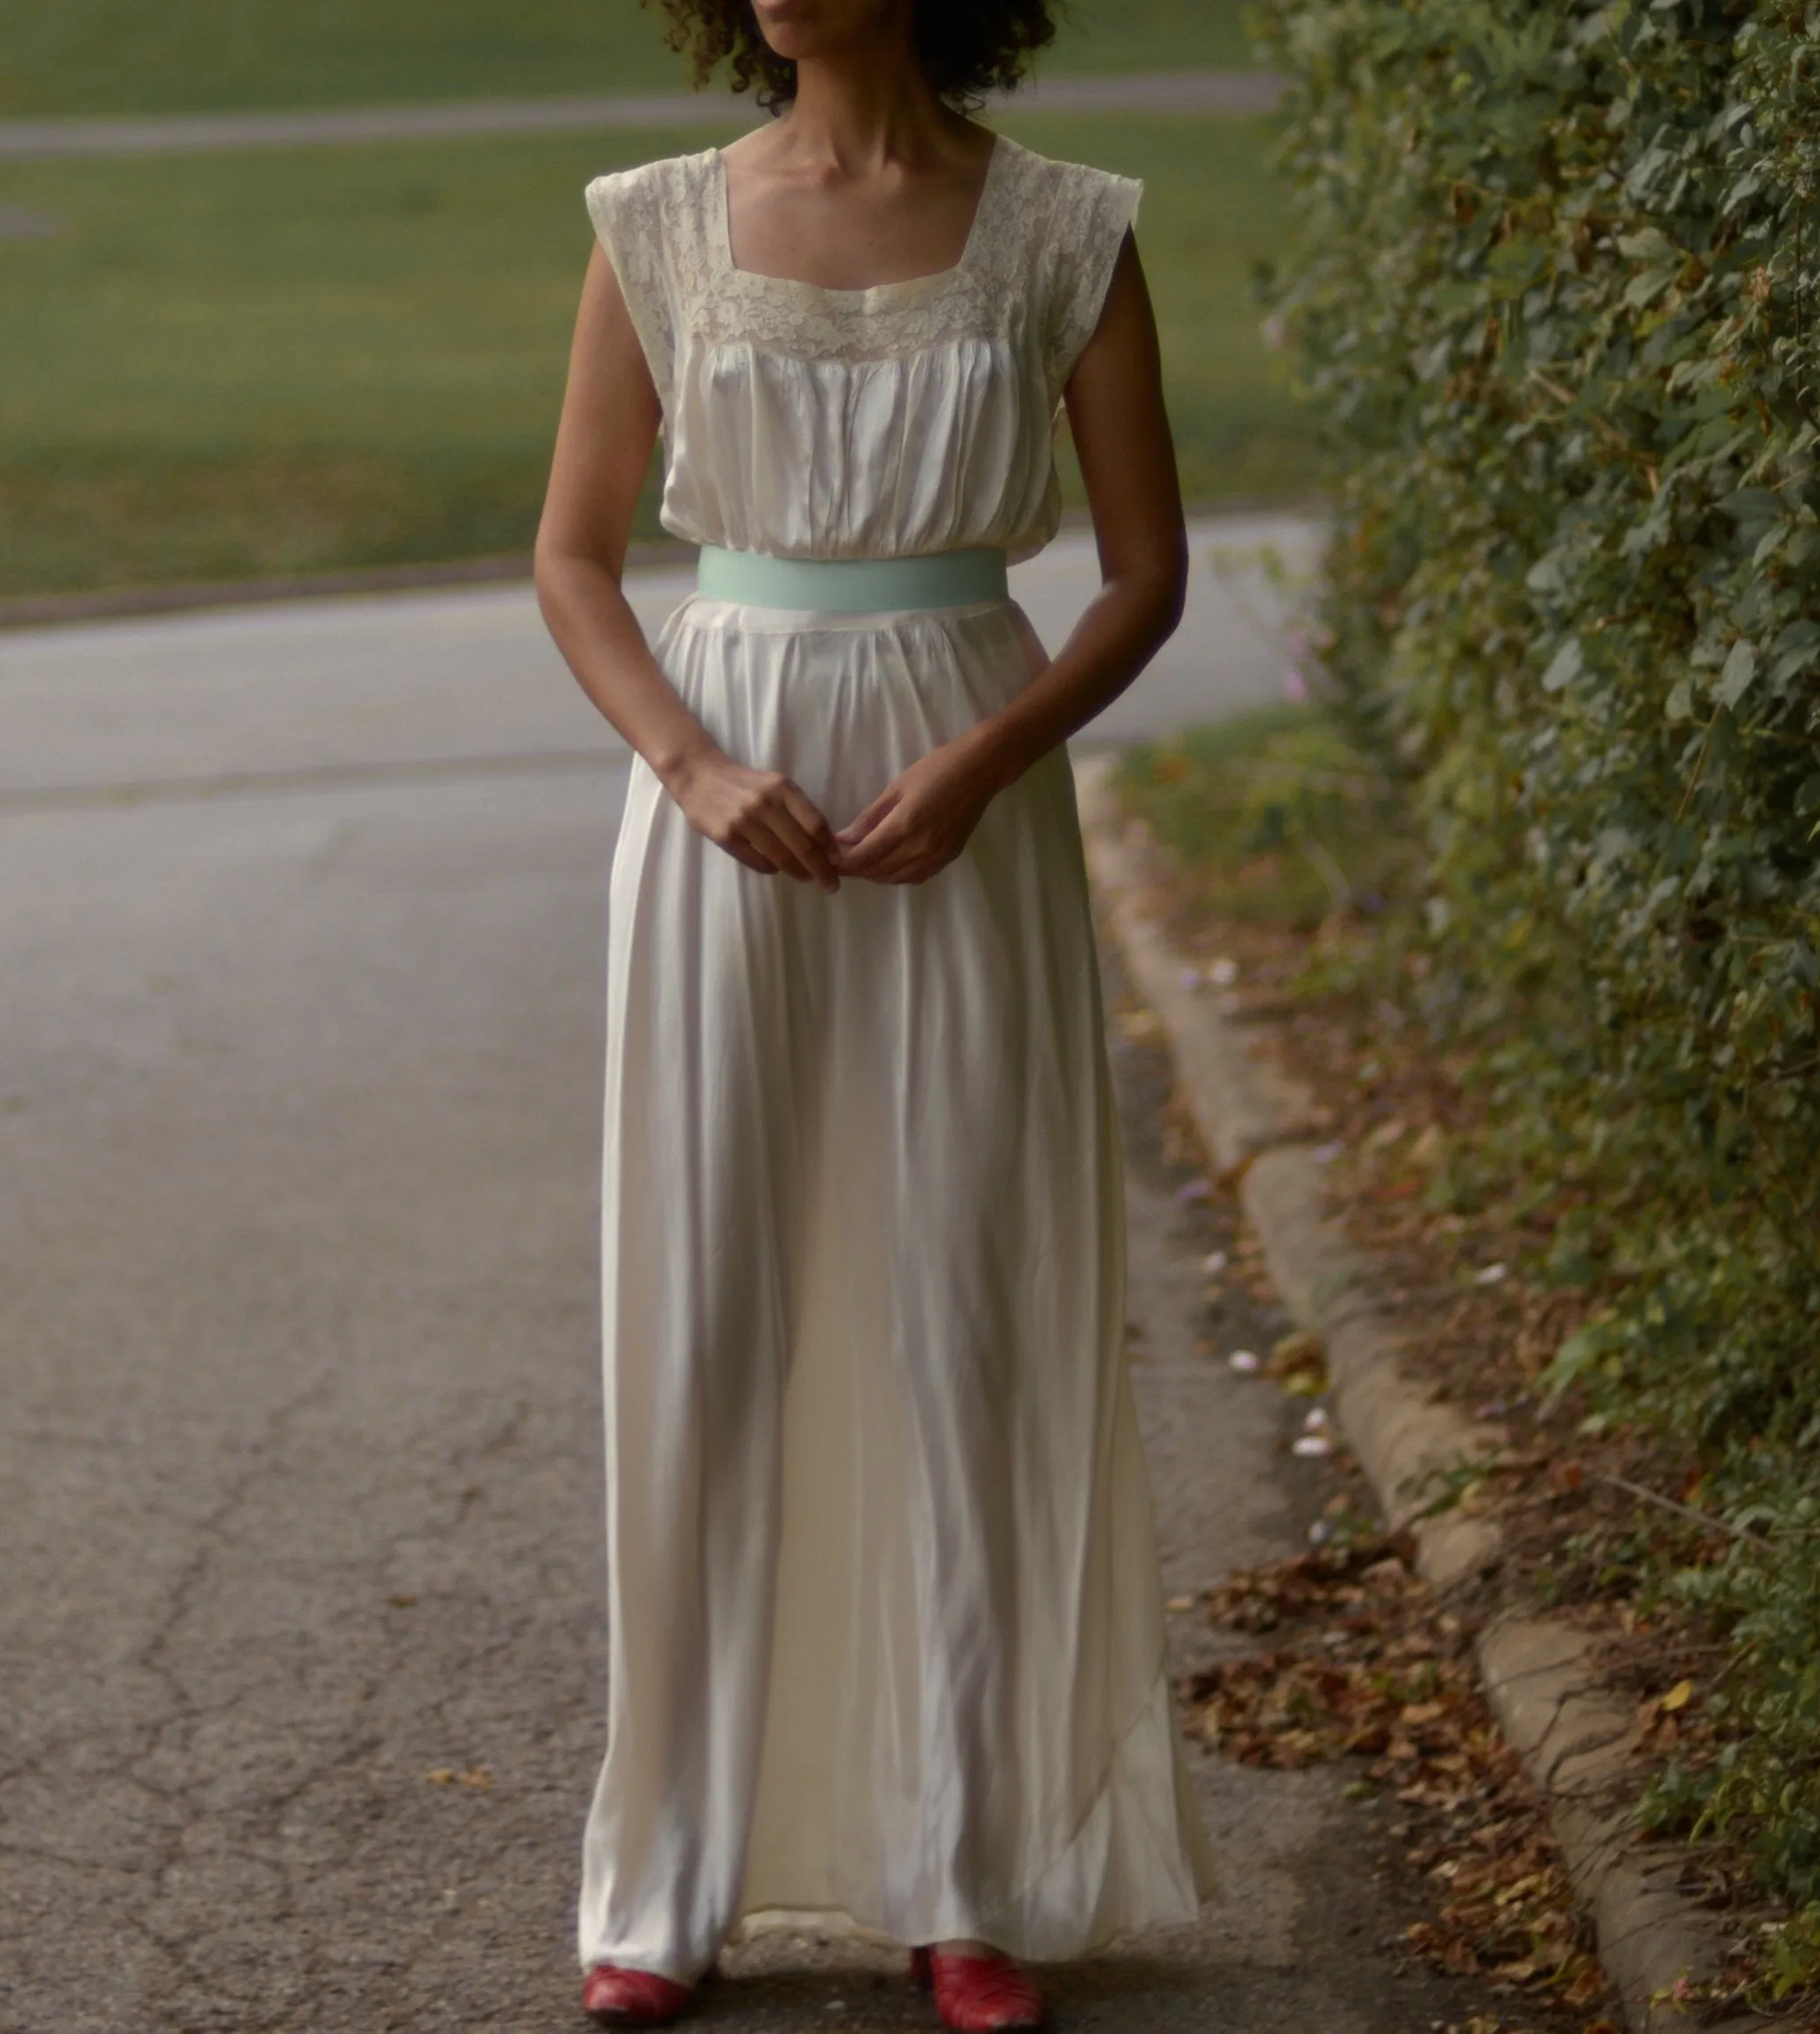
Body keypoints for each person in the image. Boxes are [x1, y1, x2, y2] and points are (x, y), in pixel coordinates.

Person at [534, 0, 1215, 2024]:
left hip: (961, 795)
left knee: (955, 1317)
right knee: (706, 1313)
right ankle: (665, 1878)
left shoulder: (1065, 229)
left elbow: (1143, 573)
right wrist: (684, 761)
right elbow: (576, 560)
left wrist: (990, 759)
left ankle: (957, 1869)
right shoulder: (653, 220)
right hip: (715, 795)